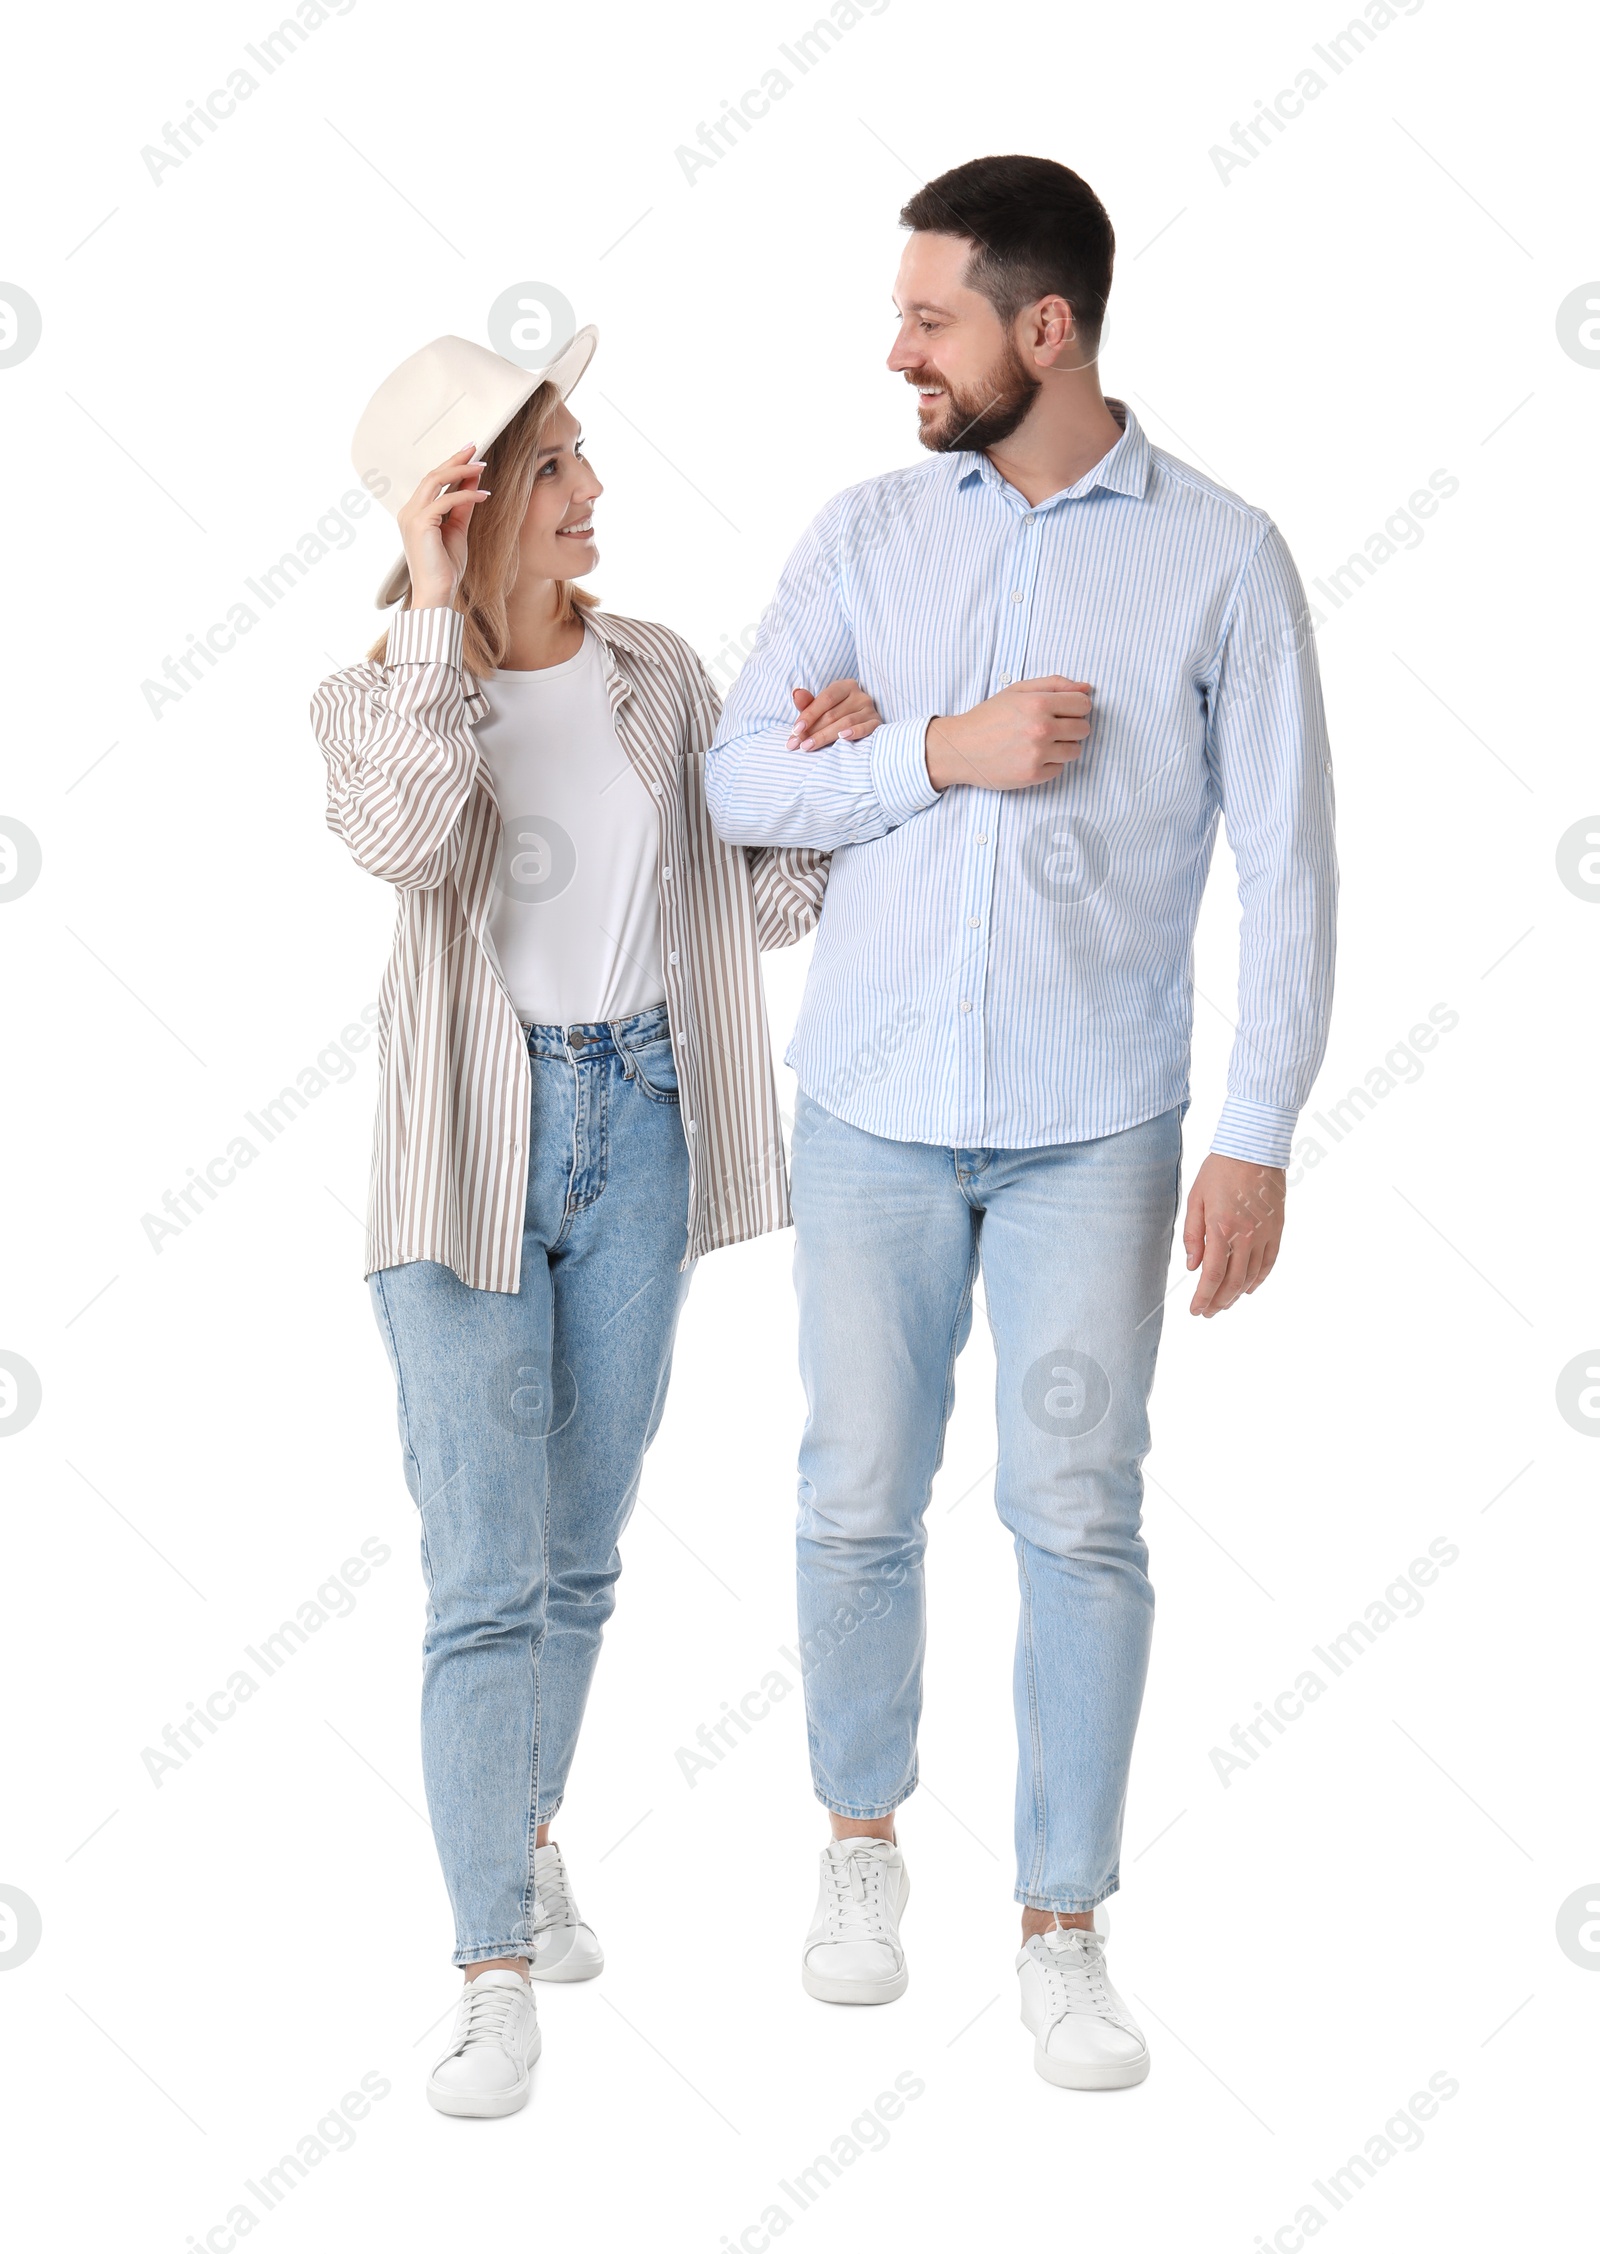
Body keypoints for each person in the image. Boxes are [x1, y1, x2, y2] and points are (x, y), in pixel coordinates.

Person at [706, 155, 1338, 2091]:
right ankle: (858, 1843)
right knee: (848, 1498)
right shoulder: (866, 530)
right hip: (877, 1101)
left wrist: (1254, 1132)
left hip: (1099, 1123)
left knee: (1074, 1512)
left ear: (1039, 328)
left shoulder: (1221, 555)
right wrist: (931, 751)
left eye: (929, 317)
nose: (893, 347)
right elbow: (735, 779)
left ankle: (1061, 1922)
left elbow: (1289, 866)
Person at [311, 330, 875, 2116]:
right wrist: (418, 598)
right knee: (484, 1580)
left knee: (583, 1554)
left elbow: (754, 901)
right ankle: (490, 1963)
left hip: (643, 1125)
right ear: (470, 503)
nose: (595, 496)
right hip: (467, 1158)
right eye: (555, 469)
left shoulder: (657, 675)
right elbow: (403, 836)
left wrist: (830, 774)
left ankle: (524, 1825)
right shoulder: (376, 696)